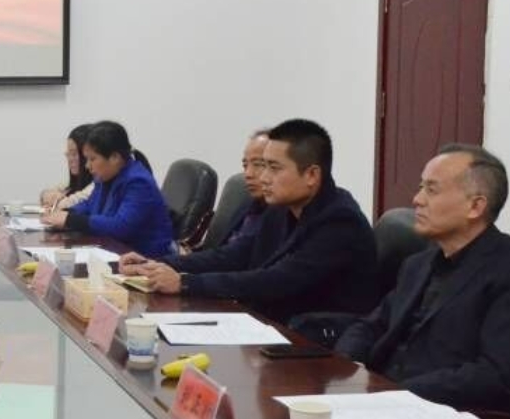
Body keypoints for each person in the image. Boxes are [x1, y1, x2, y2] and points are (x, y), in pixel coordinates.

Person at [335, 145, 510, 411]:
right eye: (421, 187)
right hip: (379, 399)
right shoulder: (418, 264)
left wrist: (395, 394)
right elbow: (371, 325)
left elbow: (498, 376)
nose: (417, 199)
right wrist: (346, 362)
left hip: (444, 412)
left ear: (475, 206)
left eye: (431, 190)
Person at [121, 119, 376, 328]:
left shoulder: (340, 222)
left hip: (319, 345)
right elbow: (233, 256)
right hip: (272, 324)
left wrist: (185, 283)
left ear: (311, 175)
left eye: (273, 168)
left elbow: (277, 280)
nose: (263, 178)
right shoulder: (281, 209)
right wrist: (155, 264)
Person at [40, 121, 173, 257]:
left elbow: (121, 227)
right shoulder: (105, 177)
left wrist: (70, 220)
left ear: (115, 157)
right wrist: (65, 213)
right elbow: (89, 206)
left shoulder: (138, 182)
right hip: (114, 252)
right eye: (87, 159)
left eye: (92, 159)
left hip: (146, 260)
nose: (87, 166)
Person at [213, 128, 271, 248]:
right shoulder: (248, 204)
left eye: (258, 164)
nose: (248, 174)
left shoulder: (284, 217)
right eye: (245, 165)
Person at [38, 123, 95, 211]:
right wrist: (48, 196)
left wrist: (57, 201)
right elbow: (47, 194)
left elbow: (68, 204)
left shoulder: (96, 185)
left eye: (74, 154)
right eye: (68, 154)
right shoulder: (74, 182)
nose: (69, 159)